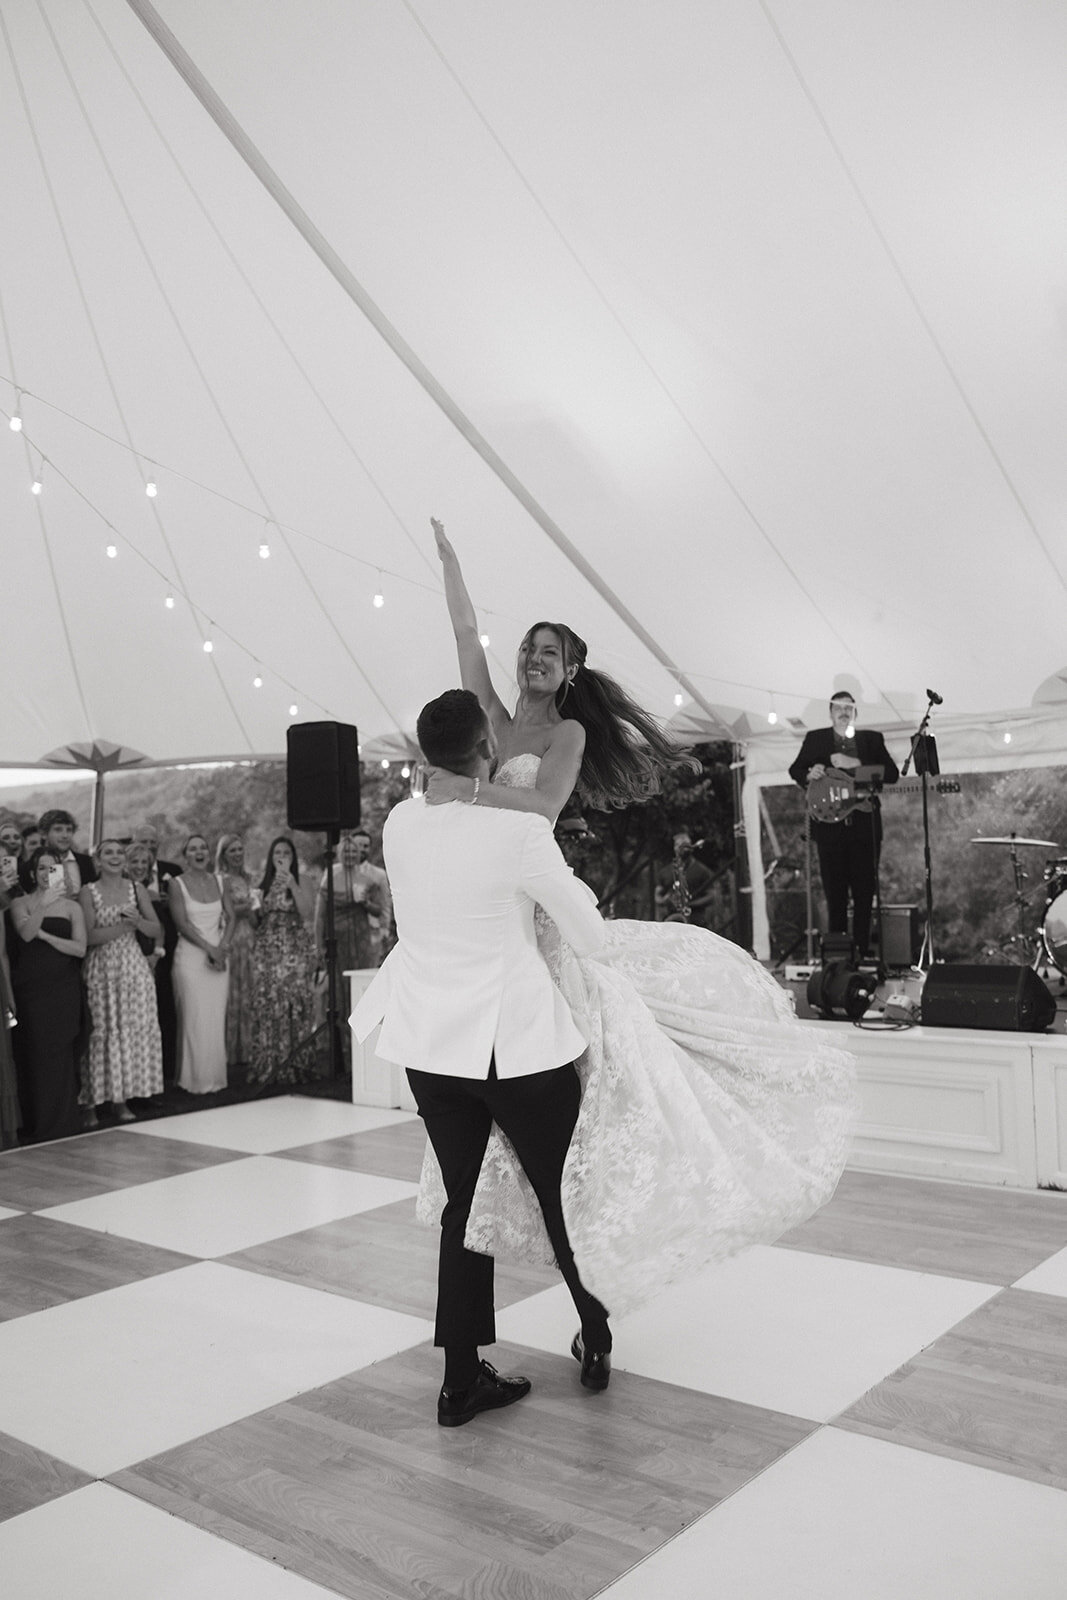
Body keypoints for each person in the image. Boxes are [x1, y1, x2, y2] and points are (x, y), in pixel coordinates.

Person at [417, 521, 856, 1317]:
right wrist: (450, 565)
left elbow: (545, 805)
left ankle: (598, 1253)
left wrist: (464, 791)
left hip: (533, 906)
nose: (532, 660)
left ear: (571, 669)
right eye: (528, 649)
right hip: (490, 915)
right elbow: (460, 631)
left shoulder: (566, 731)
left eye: (549, 653)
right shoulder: (486, 714)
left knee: (592, 1078)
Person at [352, 690, 613, 1425]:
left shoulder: (398, 823)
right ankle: (593, 1337)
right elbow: (587, 933)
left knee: (462, 1207)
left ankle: (460, 1380)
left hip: (432, 1050)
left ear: (427, 752)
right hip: (517, 1047)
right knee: (561, 1199)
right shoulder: (517, 831)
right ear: (485, 754)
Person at [788, 691, 900, 959]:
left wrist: (856, 763)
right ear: (830, 712)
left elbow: (892, 774)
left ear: (855, 712)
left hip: (865, 829)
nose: (844, 711)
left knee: (864, 896)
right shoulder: (816, 739)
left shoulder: (871, 740)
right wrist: (808, 774)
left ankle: (861, 953)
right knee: (834, 895)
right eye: (838, 707)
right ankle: (837, 958)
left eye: (849, 707)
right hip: (829, 831)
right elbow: (795, 770)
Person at [79, 839, 164, 1126]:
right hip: (102, 970)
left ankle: (121, 1100)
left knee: (129, 1033)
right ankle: (90, 1102)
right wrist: (121, 927)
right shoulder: (88, 892)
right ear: (98, 861)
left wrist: (137, 921)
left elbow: (155, 929)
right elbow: (89, 937)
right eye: (108, 853)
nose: (115, 857)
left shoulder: (136, 889)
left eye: (119, 853)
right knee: (100, 1034)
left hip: (133, 969)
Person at [9, 847, 87, 1142]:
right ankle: (38, 1125)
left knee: (63, 1053)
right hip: (32, 989)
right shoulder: (21, 902)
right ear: (32, 873)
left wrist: (47, 936)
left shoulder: (72, 908)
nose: (46, 873)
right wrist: (43, 904)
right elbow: (26, 934)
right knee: (37, 1054)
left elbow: (79, 948)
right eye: (41, 868)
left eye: (52, 868)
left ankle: (65, 1124)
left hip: (64, 987)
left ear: (61, 871)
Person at [247, 837, 317, 1087]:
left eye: (286, 852)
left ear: (293, 856)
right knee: (269, 1003)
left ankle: (296, 1063)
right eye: (277, 851)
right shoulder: (260, 883)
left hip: (294, 948)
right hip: (267, 950)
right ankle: (269, 1063)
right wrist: (250, 908)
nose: (281, 856)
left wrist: (291, 882)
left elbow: (308, 912)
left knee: (294, 1003)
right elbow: (255, 921)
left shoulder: (303, 880)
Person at [168, 834, 229, 1095]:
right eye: (193, 849)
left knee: (215, 1016)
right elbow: (181, 924)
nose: (199, 852)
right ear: (185, 856)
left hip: (219, 955)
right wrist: (209, 949)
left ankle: (216, 1078)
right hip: (191, 957)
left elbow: (232, 917)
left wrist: (222, 947)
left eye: (203, 847)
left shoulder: (220, 880)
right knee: (194, 1017)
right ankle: (191, 1081)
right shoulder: (176, 884)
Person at [131, 824, 182, 1080]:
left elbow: (166, 923)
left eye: (153, 843)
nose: (149, 848)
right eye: (143, 842)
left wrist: (158, 952)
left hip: (162, 953)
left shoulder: (171, 872)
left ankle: (166, 1071)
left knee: (164, 1011)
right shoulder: (122, 885)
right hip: (130, 957)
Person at [315, 828, 392, 976]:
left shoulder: (376, 876)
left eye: (365, 846)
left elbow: (384, 907)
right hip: (337, 938)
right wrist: (319, 944)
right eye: (347, 851)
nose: (355, 852)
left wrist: (384, 931)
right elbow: (320, 914)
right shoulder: (331, 873)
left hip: (365, 937)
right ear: (340, 852)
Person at [215, 834, 258, 1072]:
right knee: (231, 994)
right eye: (232, 850)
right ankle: (230, 1049)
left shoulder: (249, 878)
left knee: (249, 992)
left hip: (250, 936)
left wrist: (253, 910)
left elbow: (255, 912)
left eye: (240, 849)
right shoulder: (219, 880)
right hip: (230, 937)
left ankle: (250, 1047)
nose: (237, 854)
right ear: (223, 855)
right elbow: (222, 911)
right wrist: (243, 908)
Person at [38, 810, 97, 896]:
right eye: (58, 830)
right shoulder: (32, 864)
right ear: (44, 834)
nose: (65, 835)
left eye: (69, 830)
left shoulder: (86, 862)